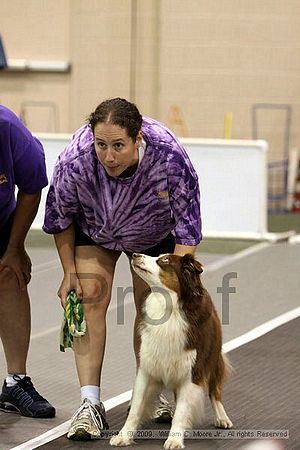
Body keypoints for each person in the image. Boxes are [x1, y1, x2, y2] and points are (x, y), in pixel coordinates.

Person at [43, 97, 201, 439]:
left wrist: (178, 284)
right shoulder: (75, 160)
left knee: (154, 310)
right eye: (101, 145)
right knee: (88, 300)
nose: (109, 156)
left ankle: (151, 394)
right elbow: (59, 218)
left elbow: (188, 227)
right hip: (95, 229)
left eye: (118, 145)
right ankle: (89, 405)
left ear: (138, 138)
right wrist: (69, 270)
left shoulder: (168, 156)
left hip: (153, 234)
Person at [0, 105, 55, 418]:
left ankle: (15, 382)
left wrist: (14, 247)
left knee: (11, 274)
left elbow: (32, 188)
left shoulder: (8, 128)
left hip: (1, 217)